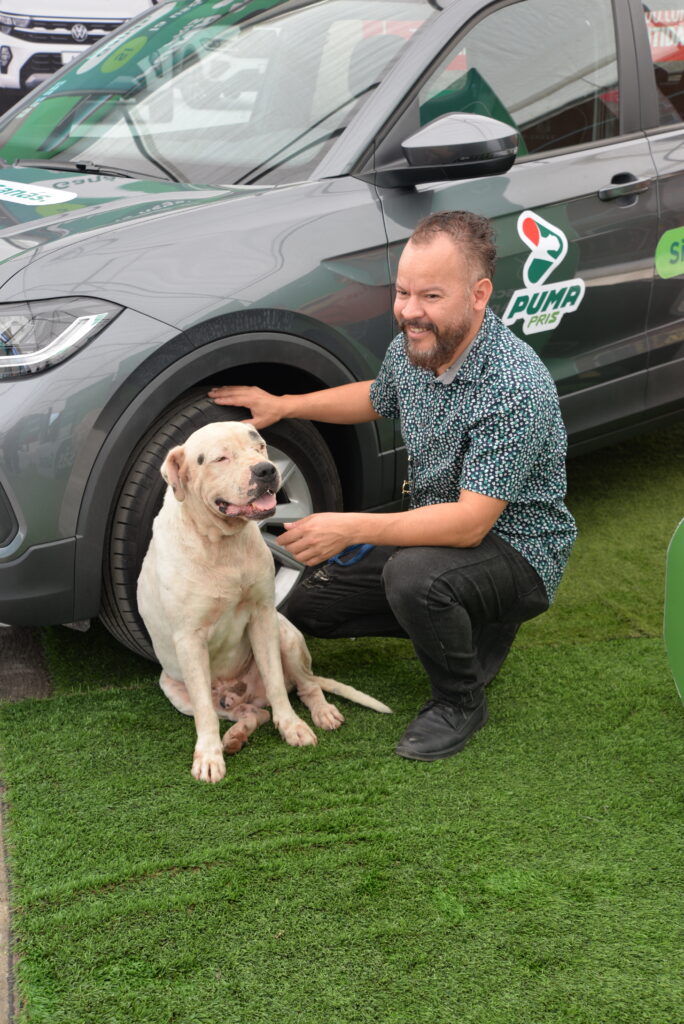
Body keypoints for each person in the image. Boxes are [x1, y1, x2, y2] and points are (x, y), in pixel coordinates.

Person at [209, 211, 577, 762]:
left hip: (516, 550)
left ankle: (459, 701)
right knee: (311, 604)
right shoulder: (419, 344)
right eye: (403, 292)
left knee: (414, 579)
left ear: (479, 295)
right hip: (437, 532)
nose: (409, 310)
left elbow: (470, 524)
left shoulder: (514, 385)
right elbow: (377, 395)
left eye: (430, 295)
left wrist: (350, 527)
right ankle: (465, 624)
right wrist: (285, 405)